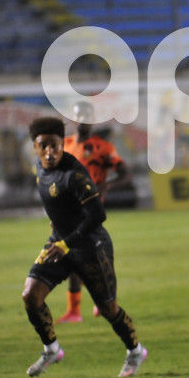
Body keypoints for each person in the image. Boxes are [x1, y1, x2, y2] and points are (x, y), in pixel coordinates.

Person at [23, 117, 147, 378]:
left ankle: (136, 351)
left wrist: (66, 242)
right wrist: (58, 231)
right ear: (35, 147)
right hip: (59, 243)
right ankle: (52, 349)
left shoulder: (75, 175)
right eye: (43, 145)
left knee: (107, 309)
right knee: (31, 295)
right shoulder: (40, 167)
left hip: (90, 246)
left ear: (62, 145)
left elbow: (97, 215)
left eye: (55, 145)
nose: (49, 151)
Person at [57, 101, 132, 323]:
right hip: (68, 211)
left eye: (88, 116)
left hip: (90, 210)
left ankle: (99, 303)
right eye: (80, 115)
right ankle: (79, 309)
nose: (83, 120)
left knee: (88, 258)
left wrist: (108, 185)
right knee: (77, 259)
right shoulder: (65, 146)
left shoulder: (103, 148)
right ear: (73, 118)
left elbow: (126, 175)